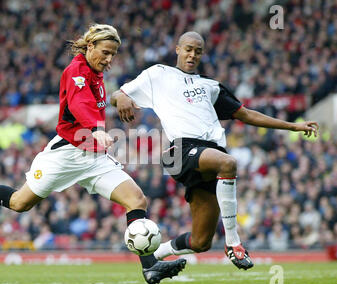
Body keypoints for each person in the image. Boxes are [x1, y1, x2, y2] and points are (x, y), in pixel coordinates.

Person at [0, 24, 186, 284]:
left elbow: (96, 102)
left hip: (94, 156)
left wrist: (119, 97)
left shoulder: (96, 73)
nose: (110, 59)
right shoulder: (76, 71)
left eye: (113, 54)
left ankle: (150, 267)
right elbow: (79, 105)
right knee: (19, 203)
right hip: (66, 153)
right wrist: (94, 129)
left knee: (136, 199)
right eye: (105, 52)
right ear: (90, 47)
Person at [111, 31, 319, 270]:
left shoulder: (210, 86)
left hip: (209, 158)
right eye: (188, 49)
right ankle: (233, 243)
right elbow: (119, 94)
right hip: (181, 150)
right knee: (228, 163)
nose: (192, 54)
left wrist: (293, 126)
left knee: (200, 242)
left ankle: (153, 256)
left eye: (198, 51)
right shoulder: (158, 74)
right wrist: (121, 97)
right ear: (177, 49)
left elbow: (247, 114)